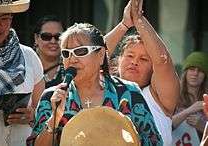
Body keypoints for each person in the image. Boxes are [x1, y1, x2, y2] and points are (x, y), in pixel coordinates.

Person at [27, 23, 163, 146]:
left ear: (100, 54)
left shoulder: (128, 92)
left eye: (80, 51)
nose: (72, 59)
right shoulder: (51, 98)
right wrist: (54, 120)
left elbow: (154, 141)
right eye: (66, 53)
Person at [108, 0, 180, 145]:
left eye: (144, 59)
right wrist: (124, 25)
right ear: (118, 61)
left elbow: (162, 60)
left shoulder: (158, 98)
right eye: (129, 56)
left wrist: (139, 19)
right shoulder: (103, 90)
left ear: (153, 70)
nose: (134, 62)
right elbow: (90, 58)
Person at [0, 0, 45, 146]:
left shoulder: (29, 55)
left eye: (4, 18)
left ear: (11, 19)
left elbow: (45, 110)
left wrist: (32, 115)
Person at [172, 52, 208, 140]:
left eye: (200, 70)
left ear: (205, 76)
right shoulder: (172, 95)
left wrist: (203, 127)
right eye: (192, 69)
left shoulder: (206, 99)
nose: (195, 73)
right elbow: (162, 127)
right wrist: (188, 111)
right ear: (185, 72)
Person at [33, 15, 65, 88]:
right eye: (46, 36)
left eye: (58, 37)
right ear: (36, 38)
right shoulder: (27, 66)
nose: (53, 41)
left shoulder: (73, 65)